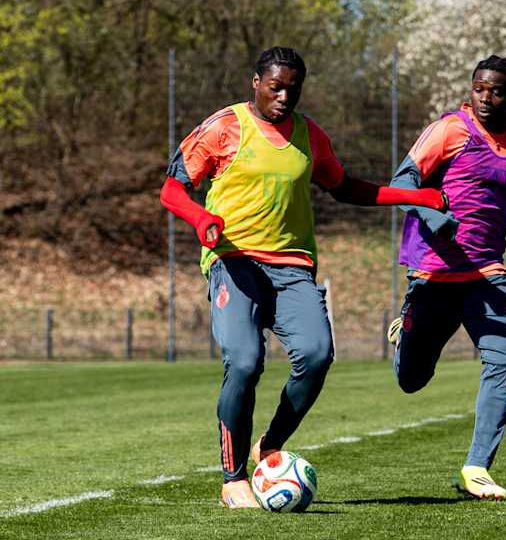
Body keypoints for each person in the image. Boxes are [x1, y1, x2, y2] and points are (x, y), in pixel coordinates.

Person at [160, 47, 447, 508]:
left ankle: (268, 446)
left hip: (293, 267)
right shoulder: (223, 127)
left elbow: (344, 186)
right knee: (246, 360)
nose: (284, 96)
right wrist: (200, 219)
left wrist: (416, 197)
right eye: (276, 86)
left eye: (293, 88)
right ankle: (233, 479)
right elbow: (173, 188)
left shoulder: (310, 136)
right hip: (234, 261)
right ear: (256, 82)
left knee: (316, 355)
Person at [387, 55, 506, 501]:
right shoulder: (451, 129)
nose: (486, 98)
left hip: (487, 277)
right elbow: (403, 180)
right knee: (411, 380)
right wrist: (431, 217)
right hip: (434, 274)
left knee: (504, 359)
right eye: (479, 89)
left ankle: (478, 467)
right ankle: (406, 332)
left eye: (496, 91)